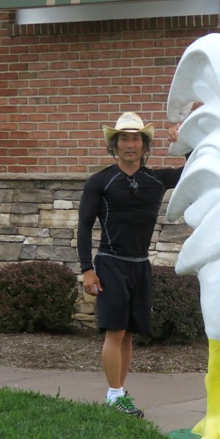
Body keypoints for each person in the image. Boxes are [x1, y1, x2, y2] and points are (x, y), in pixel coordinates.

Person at [76, 112, 184, 416]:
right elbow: (84, 226)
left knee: (129, 334)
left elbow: (195, 168)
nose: (130, 144)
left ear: (144, 143)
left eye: (136, 137)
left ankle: (119, 392)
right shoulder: (101, 181)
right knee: (115, 331)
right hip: (110, 263)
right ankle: (114, 394)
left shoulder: (155, 180)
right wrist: (87, 269)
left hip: (140, 264)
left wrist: (184, 138)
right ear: (115, 143)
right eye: (124, 137)